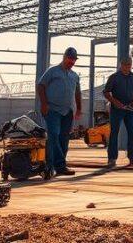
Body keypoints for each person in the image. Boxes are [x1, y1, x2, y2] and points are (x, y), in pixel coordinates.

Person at [36, 47, 82, 176]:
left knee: (64, 138)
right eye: (70, 59)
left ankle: (60, 167)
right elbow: (41, 85)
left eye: (74, 60)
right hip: (52, 110)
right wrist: (44, 104)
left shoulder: (74, 76)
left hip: (68, 112)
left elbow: (77, 92)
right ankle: (51, 166)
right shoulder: (52, 71)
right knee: (53, 136)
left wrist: (79, 108)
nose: (72, 62)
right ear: (64, 57)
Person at [103, 56, 133, 167]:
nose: (127, 67)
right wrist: (114, 101)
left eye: (129, 65)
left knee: (132, 133)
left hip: (130, 109)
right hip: (117, 109)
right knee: (114, 133)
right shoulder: (114, 77)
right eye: (125, 65)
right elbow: (106, 92)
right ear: (121, 65)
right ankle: (112, 158)